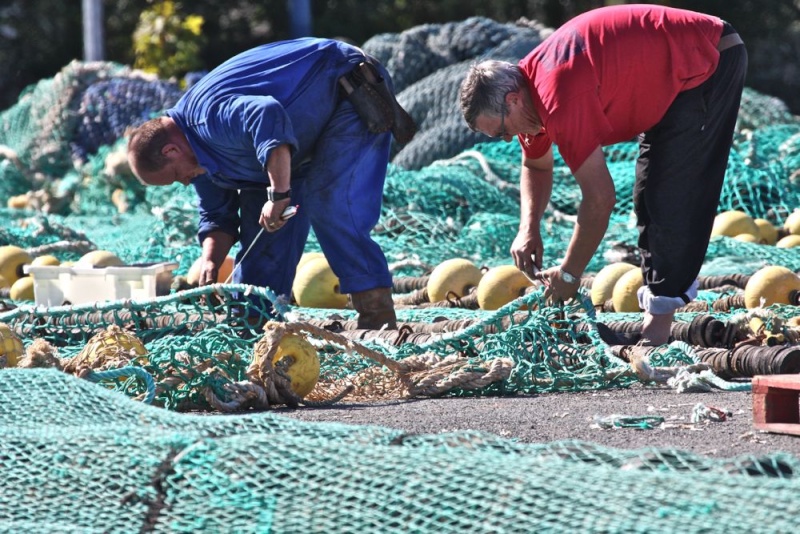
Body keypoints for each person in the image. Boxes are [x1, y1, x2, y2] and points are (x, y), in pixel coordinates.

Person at [459, 5, 747, 345]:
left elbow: (600, 200)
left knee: (670, 199)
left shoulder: (558, 98)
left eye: (500, 132)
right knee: (646, 200)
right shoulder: (526, 95)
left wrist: (569, 274)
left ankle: (656, 336)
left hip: (709, 58)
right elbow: (535, 165)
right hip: (671, 76)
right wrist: (528, 229)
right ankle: (655, 328)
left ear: (512, 101)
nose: (507, 139)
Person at [127, 37, 416, 329]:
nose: (185, 182)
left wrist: (278, 194)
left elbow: (266, 113)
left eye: (176, 176)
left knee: (329, 201)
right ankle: (255, 324)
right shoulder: (195, 157)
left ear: (170, 151)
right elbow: (217, 216)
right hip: (295, 142)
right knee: (265, 228)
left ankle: (376, 316)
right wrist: (211, 261)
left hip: (348, 88)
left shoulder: (207, 119)